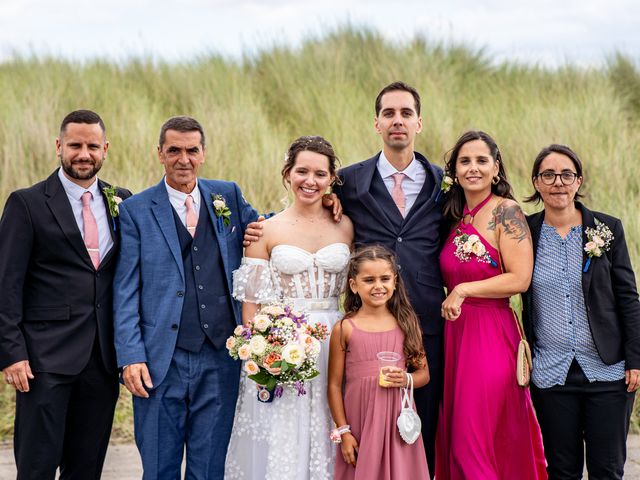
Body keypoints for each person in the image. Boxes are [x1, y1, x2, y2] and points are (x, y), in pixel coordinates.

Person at [244, 81, 446, 477]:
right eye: (389, 113)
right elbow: (307, 198)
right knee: (352, 426)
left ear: (419, 122)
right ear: (377, 123)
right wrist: (263, 224)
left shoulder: (443, 182)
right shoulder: (351, 182)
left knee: (419, 429)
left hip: (422, 321)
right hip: (349, 333)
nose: (397, 121)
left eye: (406, 113)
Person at [112, 116, 259, 479]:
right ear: (160, 153)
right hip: (160, 360)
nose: (183, 159)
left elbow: (267, 227)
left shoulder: (228, 196)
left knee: (210, 467)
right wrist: (131, 356)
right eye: (174, 150)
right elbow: (125, 288)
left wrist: (323, 207)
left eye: (192, 150)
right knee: (159, 466)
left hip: (220, 355)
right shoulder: (136, 210)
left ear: (203, 153)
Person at [0, 110, 131, 479]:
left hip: (102, 360)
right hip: (43, 361)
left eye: (92, 146)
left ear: (105, 149)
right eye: (75, 145)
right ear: (60, 146)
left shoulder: (122, 201)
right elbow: (6, 283)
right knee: (37, 467)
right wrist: (12, 353)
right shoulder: (26, 203)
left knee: (86, 469)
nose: (83, 154)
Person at [225, 135, 353, 480]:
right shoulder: (265, 229)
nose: (310, 181)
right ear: (288, 173)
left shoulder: (346, 224)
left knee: (332, 424)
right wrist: (262, 353)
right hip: (284, 340)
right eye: (302, 171)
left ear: (331, 179)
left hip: (336, 339)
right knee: (284, 430)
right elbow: (251, 305)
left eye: (320, 174)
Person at [521, 144, 640, 479]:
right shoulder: (524, 233)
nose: (558, 182)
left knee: (607, 469)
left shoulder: (607, 229)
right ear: (537, 182)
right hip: (551, 373)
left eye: (566, 174)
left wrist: (635, 360)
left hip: (608, 370)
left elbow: (628, 298)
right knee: (560, 470)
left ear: (579, 180)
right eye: (548, 175)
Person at [437, 130, 547, 479]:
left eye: (482, 161)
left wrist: (464, 290)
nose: (473, 168)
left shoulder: (507, 213)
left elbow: (519, 279)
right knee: (456, 436)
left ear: (496, 168)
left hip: (490, 335)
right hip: (455, 336)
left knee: (473, 439)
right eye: (464, 161)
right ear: (454, 170)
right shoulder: (451, 215)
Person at [328, 245, 430, 479]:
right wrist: (344, 432)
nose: (378, 286)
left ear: (394, 281)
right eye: (369, 280)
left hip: (397, 419)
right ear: (354, 285)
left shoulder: (406, 323)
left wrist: (406, 379)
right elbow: (334, 385)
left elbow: (424, 374)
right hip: (360, 418)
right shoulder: (345, 328)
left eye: (385, 278)